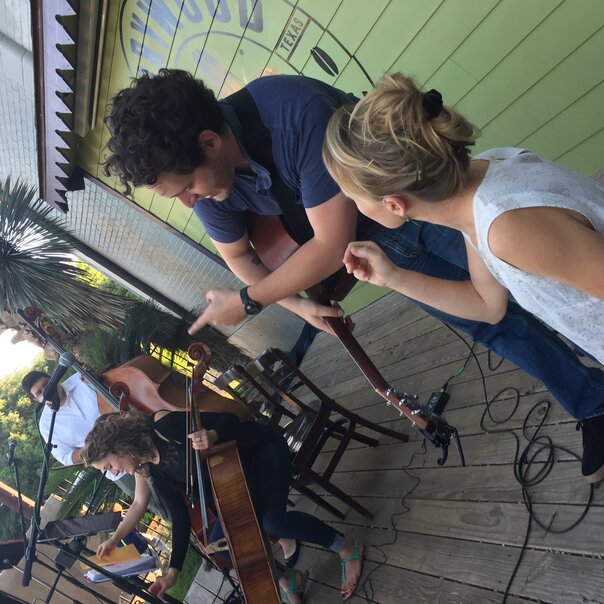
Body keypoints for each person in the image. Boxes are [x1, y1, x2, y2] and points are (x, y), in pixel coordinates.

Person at [103, 69, 604, 481]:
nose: (190, 202)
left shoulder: (291, 112)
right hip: (381, 230)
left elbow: (330, 242)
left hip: (420, 200)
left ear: (209, 142)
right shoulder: (212, 188)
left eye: (187, 188)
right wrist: (298, 304)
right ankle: (592, 401)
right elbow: (240, 257)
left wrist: (251, 300)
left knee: (537, 279)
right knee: (488, 316)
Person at [322, 72, 604, 482]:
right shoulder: (479, 188)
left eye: (353, 198)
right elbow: (488, 307)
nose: (351, 206)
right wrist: (393, 276)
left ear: (395, 205)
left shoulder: (505, 227)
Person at [81, 409, 365, 601]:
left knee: (272, 522)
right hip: (237, 482)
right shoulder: (152, 471)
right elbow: (180, 518)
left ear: (119, 447)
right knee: (222, 546)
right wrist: (173, 571)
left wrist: (213, 435)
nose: (113, 472)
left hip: (259, 452)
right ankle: (290, 578)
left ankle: (344, 546)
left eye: (109, 465)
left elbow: (229, 419)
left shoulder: (164, 427)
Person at [21, 370, 124, 481]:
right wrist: (95, 449)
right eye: (39, 393)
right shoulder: (46, 424)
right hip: (115, 470)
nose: (47, 392)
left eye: (46, 385)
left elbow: (118, 392)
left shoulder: (81, 379)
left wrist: (95, 378)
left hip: (133, 434)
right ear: (37, 400)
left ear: (53, 378)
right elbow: (66, 457)